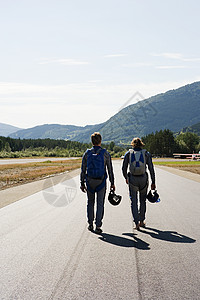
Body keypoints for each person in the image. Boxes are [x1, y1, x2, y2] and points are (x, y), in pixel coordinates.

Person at [80, 132, 115, 234]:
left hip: (89, 181)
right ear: (100, 141)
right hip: (101, 182)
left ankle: (90, 224)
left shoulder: (87, 153)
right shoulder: (105, 153)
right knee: (100, 204)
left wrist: (82, 183)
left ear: (92, 141)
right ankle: (98, 225)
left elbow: (83, 170)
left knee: (90, 202)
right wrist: (112, 183)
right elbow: (110, 170)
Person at [122, 137, 156, 230]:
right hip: (143, 179)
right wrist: (153, 181)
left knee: (134, 202)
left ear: (132, 144)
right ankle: (142, 221)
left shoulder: (128, 154)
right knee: (142, 201)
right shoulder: (146, 154)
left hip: (132, 179)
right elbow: (151, 168)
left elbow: (123, 168)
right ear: (141, 144)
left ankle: (136, 223)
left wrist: (126, 177)